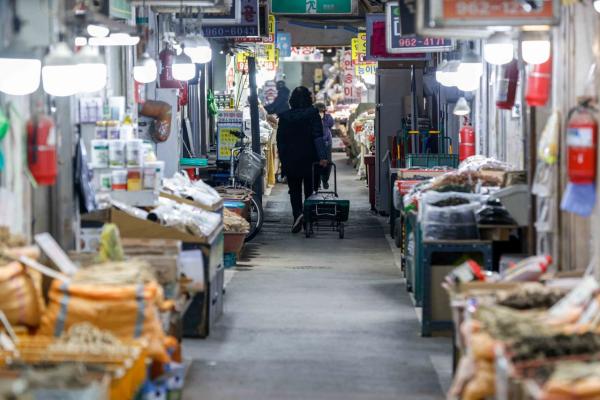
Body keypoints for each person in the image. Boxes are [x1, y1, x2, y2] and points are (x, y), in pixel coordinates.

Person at [277, 87, 328, 233]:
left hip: (291, 158)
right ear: (309, 99)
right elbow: (318, 137)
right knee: (310, 190)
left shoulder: (285, 117)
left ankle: (297, 215)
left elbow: (280, 141)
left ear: (292, 100)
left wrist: (283, 160)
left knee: (294, 190)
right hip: (310, 158)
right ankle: (307, 219)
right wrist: (323, 157)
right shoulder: (313, 114)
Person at [315, 102, 334, 189]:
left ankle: (325, 180)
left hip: (327, 143)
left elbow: (330, 125)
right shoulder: (311, 119)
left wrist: (323, 120)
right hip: (315, 143)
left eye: (322, 111)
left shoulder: (328, 118)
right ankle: (317, 182)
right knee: (316, 162)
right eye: (318, 111)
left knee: (328, 162)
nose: (320, 113)